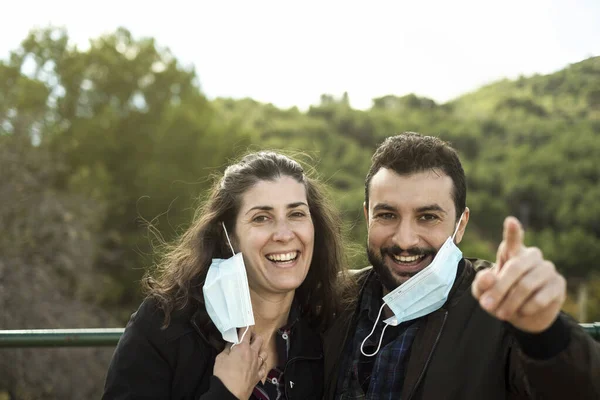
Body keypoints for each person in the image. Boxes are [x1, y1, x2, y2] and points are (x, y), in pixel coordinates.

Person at [324, 132, 600, 399]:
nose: (405, 240)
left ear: (461, 225)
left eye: (428, 217)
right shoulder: (328, 299)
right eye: (387, 215)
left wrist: (545, 332)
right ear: (367, 216)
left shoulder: (500, 306)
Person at [102, 151, 347, 400]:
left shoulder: (329, 332)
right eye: (261, 218)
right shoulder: (164, 324)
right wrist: (227, 393)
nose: (284, 235)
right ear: (228, 236)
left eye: (296, 214)